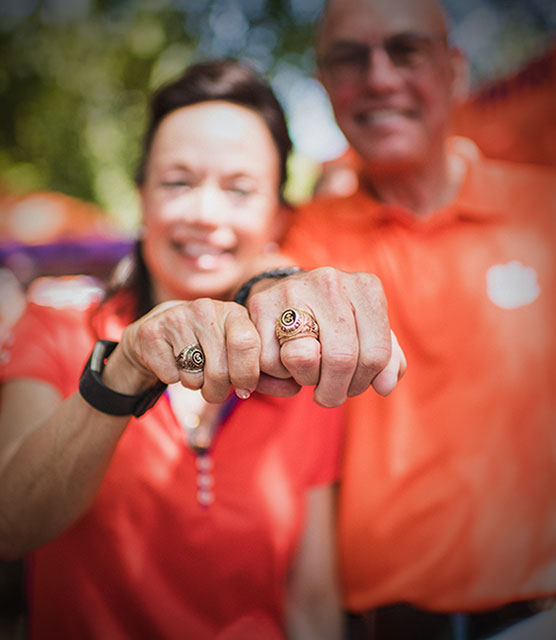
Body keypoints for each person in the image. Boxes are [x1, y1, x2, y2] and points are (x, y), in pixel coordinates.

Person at [0, 58, 408, 640]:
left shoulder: (306, 368)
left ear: (277, 215)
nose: (205, 214)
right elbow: (11, 525)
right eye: (178, 182)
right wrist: (125, 368)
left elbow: (312, 599)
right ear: (141, 195)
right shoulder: (57, 325)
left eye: (240, 190)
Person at [236, 0, 556, 638]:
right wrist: (269, 292)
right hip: (376, 623)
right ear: (325, 86)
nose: (380, 79)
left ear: (455, 70)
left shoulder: (544, 210)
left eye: (406, 50)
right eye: (350, 59)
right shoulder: (307, 233)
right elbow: (259, 286)